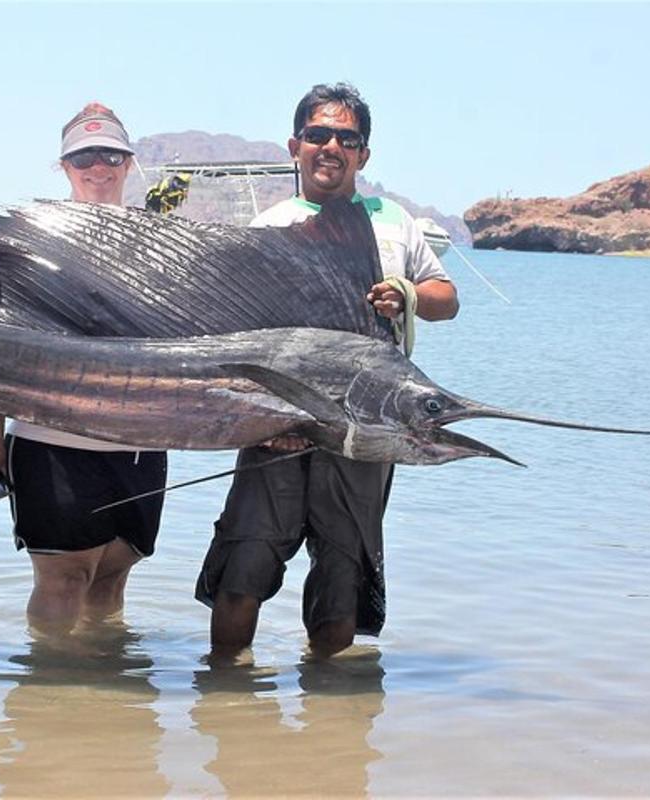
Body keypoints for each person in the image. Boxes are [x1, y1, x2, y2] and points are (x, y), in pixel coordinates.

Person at [195, 82, 460, 659]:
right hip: (276, 428)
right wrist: (260, 417)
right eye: (318, 135)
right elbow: (240, 329)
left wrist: (408, 293)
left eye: (347, 138)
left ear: (364, 154)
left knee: (342, 579)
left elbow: (447, 298)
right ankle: (223, 695)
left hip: (363, 434)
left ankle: (330, 724)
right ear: (296, 146)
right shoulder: (270, 225)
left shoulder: (395, 222)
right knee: (245, 567)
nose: (331, 146)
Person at [0, 103, 168, 635]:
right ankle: (51, 697)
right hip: (50, 443)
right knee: (62, 579)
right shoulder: (32, 240)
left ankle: (103, 700)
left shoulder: (162, 246)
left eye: (110, 154)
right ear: (64, 167)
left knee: (112, 578)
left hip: (140, 449)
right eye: (84, 156)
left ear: (128, 163)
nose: (98, 167)